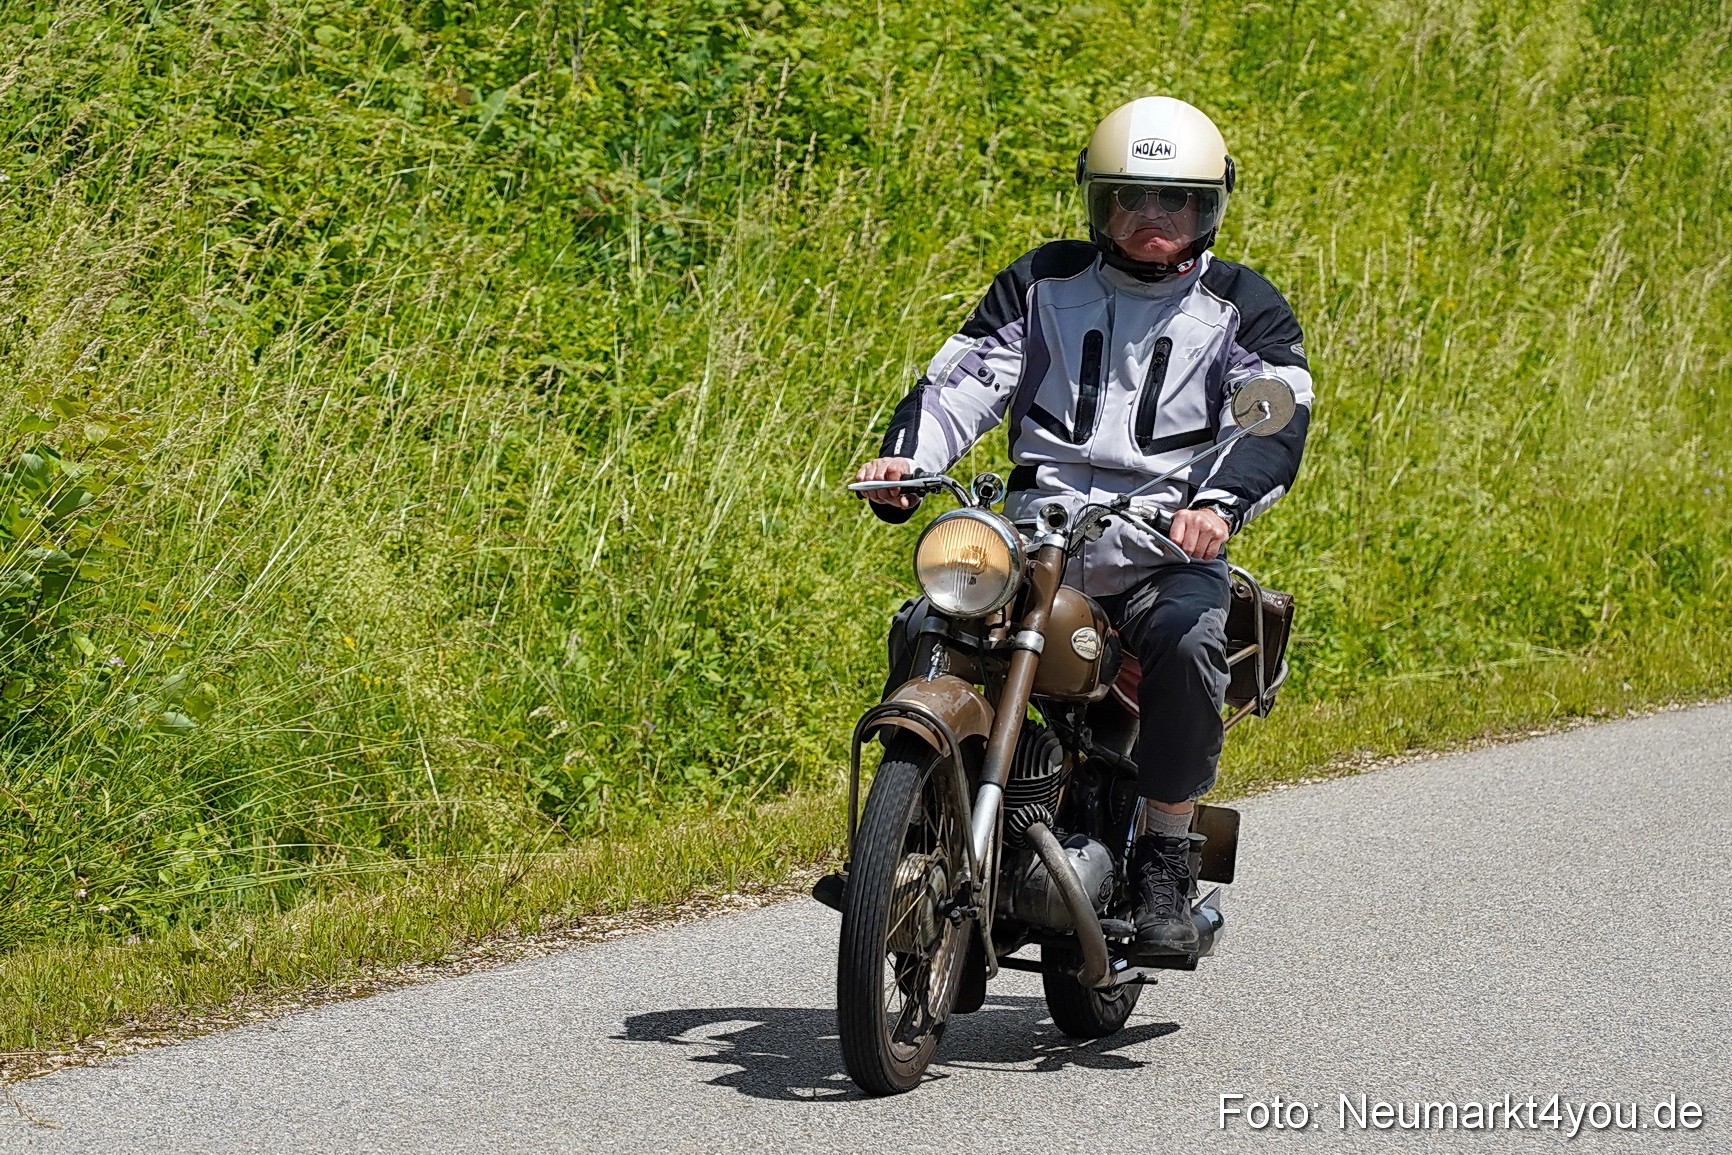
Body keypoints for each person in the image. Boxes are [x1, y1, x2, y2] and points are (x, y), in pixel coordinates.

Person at [853, 96, 1313, 959]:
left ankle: (1168, 858)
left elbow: (1274, 419)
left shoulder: (1244, 305)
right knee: (928, 619)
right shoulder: (1043, 281)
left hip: (1161, 544)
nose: (1152, 218)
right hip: (1037, 535)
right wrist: (904, 461)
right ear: (1097, 201)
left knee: (1187, 644)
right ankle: (912, 832)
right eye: (1131, 198)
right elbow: (965, 377)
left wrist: (1214, 507)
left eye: (1176, 201)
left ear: (1210, 206)